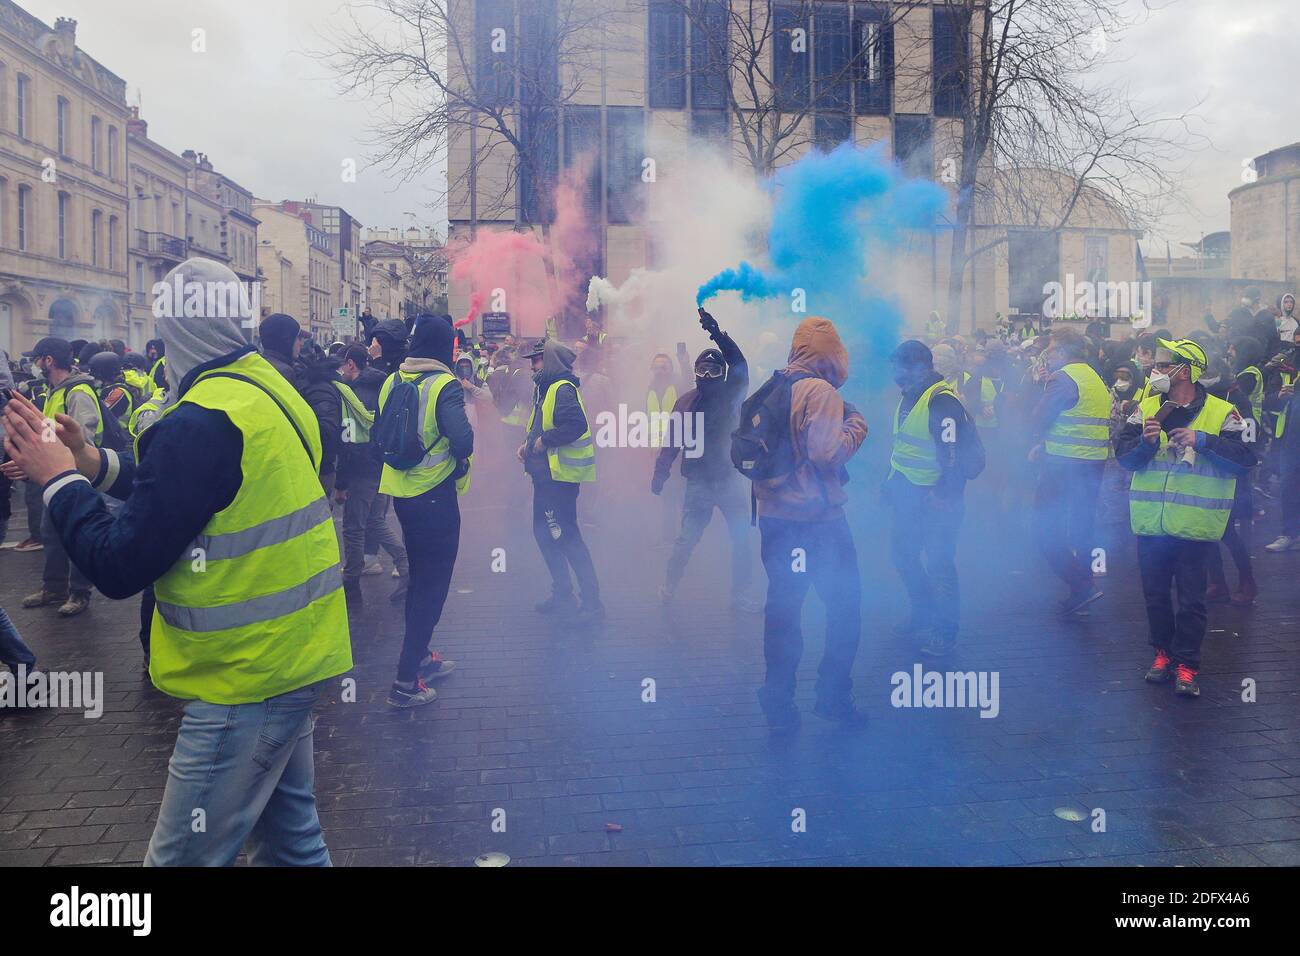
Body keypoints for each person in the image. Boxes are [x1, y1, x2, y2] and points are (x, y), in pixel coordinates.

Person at [1, 257, 352, 864]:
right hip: (295, 657)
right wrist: (90, 461)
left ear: (176, 332)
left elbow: (118, 566)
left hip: (241, 677)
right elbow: (189, 489)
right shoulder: (262, 387)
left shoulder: (200, 419)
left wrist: (57, 481)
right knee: (293, 845)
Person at [1114, 338, 1255, 698]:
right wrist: (1144, 445)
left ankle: (1188, 665)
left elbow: (1244, 459)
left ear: (1187, 371)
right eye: (1158, 364)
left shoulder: (1223, 412)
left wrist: (1203, 441)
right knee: (1156, 595)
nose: (1155, 371)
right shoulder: (1144, 407)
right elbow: (1124, 457)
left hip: (1195, 526)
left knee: (1192, 601)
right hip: (1151, 524)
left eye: (1164, 365)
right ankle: (1163, 655)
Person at [753, 316, 868, 731]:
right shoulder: (819, 392)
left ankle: (778, 700)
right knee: (845, 607)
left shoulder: (772, 385)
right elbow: (825, 453)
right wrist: (856, 429)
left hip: (774, 521)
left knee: (784, 610)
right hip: (817, 523)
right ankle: (833, 697)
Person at [377, 314, 472, 708]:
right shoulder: (443, 384)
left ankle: (419, 657)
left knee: (419, 579)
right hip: (434, 497)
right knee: (433, 585)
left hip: (402, 496)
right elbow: (462, 441)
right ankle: (405, 680)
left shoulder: (392, 380)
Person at [885, 340, 983, 658]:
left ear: (921, 367)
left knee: (940, 565)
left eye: (902, 367)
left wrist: (946, 494)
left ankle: (945, 631)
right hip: (908, 496)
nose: (896, 374)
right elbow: (906, 446)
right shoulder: (909, 397)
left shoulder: (942, 402)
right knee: (903, 555)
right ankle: (923, 614)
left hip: (936, 501)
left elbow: (952, 453)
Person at [651, 308, 754, 610]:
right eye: (702, 370)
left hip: (728, 480)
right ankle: (669, 586)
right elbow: (671, 442)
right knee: (686, 541)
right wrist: (660, 473)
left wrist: (717, 334)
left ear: (722, 375)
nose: (706, 376)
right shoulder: (685, 403)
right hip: (698, 483)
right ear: (695, 372)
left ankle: (740, 595)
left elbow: (740, 365)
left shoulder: (731, 395)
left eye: (713, 371)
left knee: (741, 541)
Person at [19, 337, 104, 618]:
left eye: (37, 359)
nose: (34, 365)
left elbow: (85, 438)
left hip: (76, 477)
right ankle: (54, 587)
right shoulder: (54, 391)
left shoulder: (78, 392)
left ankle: (80, 592)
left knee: (76, 535)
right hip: (56, 476)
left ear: (49, 360)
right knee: (51, 533)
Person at [520, 339, 603, 623]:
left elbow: (575, 425)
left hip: (559, 480)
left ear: (551, 361)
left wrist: (543, 441)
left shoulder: (561, 388)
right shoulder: (545, 388)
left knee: (567, 537)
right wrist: (528, 445)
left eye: (537, 359)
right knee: (545, 534)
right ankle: (563, 591)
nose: (532, 365)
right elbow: (542, 425)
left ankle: (592, 603)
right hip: (546, 479)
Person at [1029, 328, 1110, 615]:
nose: (1047, 355)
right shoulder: (1093, 377)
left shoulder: (1063, 378)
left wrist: (1038, 441)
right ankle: (1081, 595)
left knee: (1043, 528)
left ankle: (1082, 585)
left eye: (1050, 350)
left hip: (1064, 464)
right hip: (1093, 463)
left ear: (1062, 352)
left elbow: (1040, 417)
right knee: (1082, 529)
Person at [334, 345, 409, 604]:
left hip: (360, 469)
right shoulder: (381, 387)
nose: (341, 370)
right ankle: (406, 565)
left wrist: (341, 482)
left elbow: (347, 442)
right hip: (381, 466)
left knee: (354, 527)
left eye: (343, 364)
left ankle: (351, 582)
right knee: (376, 522)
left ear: (351, 364)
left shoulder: (352, 396)